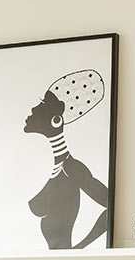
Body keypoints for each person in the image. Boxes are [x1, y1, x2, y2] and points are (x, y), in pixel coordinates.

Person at [24, 70, 109, 249]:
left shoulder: (71, 167)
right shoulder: (51, 167)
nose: (33, 109)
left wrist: (79, 248)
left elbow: (110, 206)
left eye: (42, 104)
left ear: (56, 120)